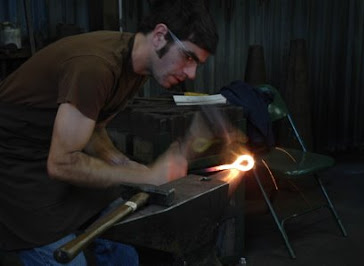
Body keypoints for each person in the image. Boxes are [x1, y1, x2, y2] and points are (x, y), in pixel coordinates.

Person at [0, 0, 218, 264]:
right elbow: (61, 164)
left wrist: (124, 164)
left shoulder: (136, 67)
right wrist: (147, 175)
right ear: (160, 37)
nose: (192, 73)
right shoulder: (95, 66)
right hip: (15, 166)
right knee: (68, 260)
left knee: (122, 246)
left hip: (52, 153)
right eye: (189, 57)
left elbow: (94, 128)